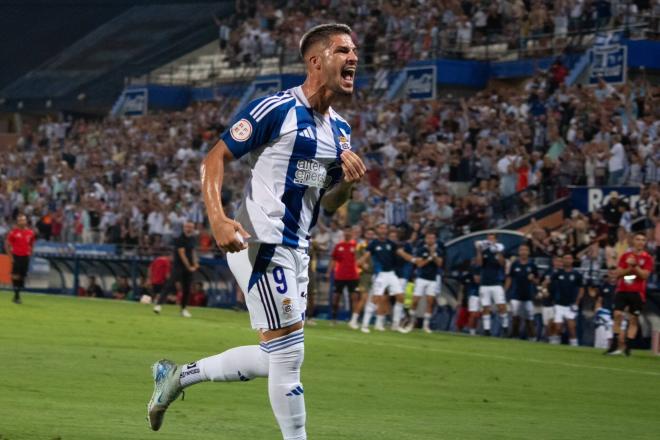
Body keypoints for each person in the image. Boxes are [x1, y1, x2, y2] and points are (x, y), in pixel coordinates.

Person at [147, 23, 365, 440]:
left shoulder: (340, 131)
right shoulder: (276, 109)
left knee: (275, 356)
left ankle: (176, 377)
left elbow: (331, 204)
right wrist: (217, 218)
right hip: (259, 241)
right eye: (342, 50)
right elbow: (214, 158)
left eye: (354, 50)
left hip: (297, 250)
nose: (353, 57)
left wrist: (348, 184)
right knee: (291, 354)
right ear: (315, 61)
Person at [358, 223, 414, 332]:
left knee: (400, 297)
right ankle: (364, 325)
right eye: (381, 228)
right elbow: (365, 256)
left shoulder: (391, 244)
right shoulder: (373, 244)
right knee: (376, 299)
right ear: (378, 230)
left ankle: (396, 325)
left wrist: (413, 259)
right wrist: (361, 262)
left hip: (391, 274)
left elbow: (401, 253)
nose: (383, 230)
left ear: (387, 230)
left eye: (385, 228)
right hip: (380, 275)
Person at [605, 233, 654, 356]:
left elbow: (645, 275)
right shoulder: (625, 256)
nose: (640, 242)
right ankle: (615, 344)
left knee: (633, 319)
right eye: (638, 239)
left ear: (645, 242)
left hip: (637, 293)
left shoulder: (648, 258)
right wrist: (629, 267)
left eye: (643, 240)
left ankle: (628, 347)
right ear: (633, 241)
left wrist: (634, 266)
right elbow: (618, 273)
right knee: (617, 314)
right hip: (622, 290)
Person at [153, 222, 199, 317]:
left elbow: (193, 252)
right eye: (187, 227)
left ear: (193, 228)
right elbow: (182, 254)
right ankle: (158, 305)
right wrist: (189, 267)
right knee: (169, 285)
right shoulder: (179, 239)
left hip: (189, 267)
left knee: (187, 289)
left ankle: (183, 309)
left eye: (190, 227)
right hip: (179, 266)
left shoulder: (193, 239)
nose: (188, 228)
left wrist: (195, 264)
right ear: (184, 228)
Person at [404, 231, 444, 333]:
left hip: (433, 279)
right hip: (421, 278)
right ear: (426, 239)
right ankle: (411, 322)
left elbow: (440, 264)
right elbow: (420, 264)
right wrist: (429, 258)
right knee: (415, 301)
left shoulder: (439, 250)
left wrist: (433, 256)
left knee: (430, 302)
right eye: (429, 238)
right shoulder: (421, 250)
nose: (430, 240)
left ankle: (426, 325)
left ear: (435, 239)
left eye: (432, 238)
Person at [475, 233, 508, 336]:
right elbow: (479, 264)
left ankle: (505, 326)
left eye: (492, 238)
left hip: (496, 283)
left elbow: (502, 264)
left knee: (501, 306)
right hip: (485, 284)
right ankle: (487, 330)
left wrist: (498, 252)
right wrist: (479, 251)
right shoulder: (484, 251)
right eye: (488, 238)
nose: (490, 240)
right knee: (486, 307)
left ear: (496, 240)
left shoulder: (500, 250)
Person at [550, 254, 584, 346]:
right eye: (565, 259)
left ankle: (574, 345)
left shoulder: (577, 275)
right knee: (558, 327)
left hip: (571, 304)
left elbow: (581, 289)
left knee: (571, 327)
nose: (567, 260)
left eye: (569, 258)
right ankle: (554, 344)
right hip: (559, 304)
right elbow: (549, 284)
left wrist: (577, 302)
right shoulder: (557, 274)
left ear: (572, 260)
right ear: (563, 261)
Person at [505, 244, 538, 339]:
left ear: (528, 252)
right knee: (515, 316)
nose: (523, 252)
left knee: (529, 318)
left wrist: (533, 279)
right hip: (516, 294)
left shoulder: (532, 265)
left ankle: (532, 337)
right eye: (521, 250)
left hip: (528, 295)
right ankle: (515, 336)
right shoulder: (514, 264)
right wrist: (505, 290)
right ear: (519, 252)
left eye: (525, 250)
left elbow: (537, 281)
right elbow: (509, 278)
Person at [328, 227, 360, 325]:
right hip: (340, 275)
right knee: (336, 297)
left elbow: (360, 258)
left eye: (349, 231)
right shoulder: (339, 245)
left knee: (354, 297)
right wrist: (329, 272)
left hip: (353, 275)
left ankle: (353, 320)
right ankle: (334, 318)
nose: (347, 233)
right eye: (346, 231)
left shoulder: (356, 245)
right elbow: (333, 260)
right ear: (343, 233)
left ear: (352, 232)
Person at [4, 214, 36, 304]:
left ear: (26, 221)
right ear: (17, 222)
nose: (22, 221)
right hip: (16, 256)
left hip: (25, 257)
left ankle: (17, 295)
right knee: (15, 276)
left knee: (22, 277)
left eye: (23, 220)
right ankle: (16, 296)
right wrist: (11, 257)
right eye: (20, 220)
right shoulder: (13, 232)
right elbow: (7, 245)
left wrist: (31, 253)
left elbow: (32, 244)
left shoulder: (30, 232)